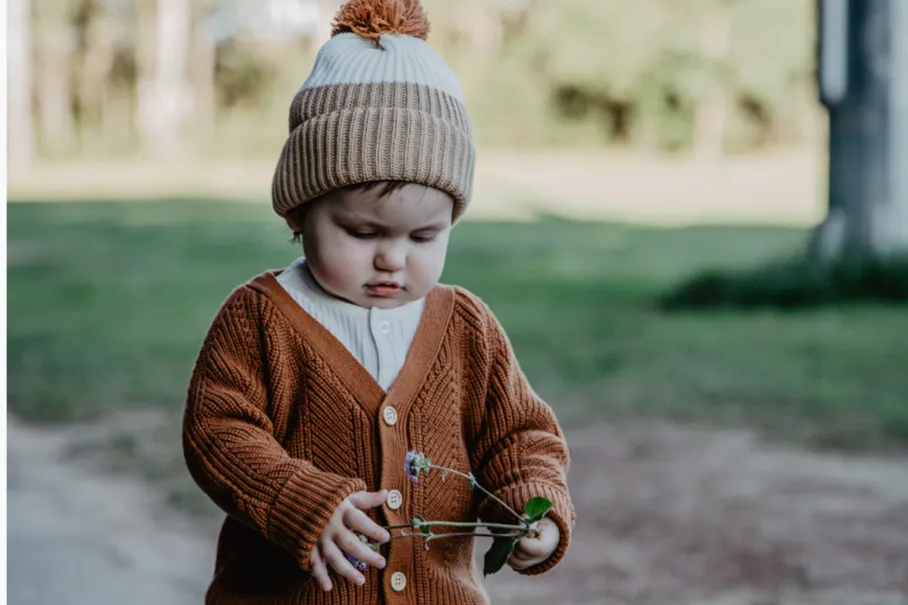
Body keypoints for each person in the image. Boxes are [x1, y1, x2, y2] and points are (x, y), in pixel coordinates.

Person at [182, 1, 575, 603]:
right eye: (363, 233)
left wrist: (532, 506)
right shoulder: (261, 316)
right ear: (301, 211)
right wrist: (296, 498)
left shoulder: (466, 325)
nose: (394, 258)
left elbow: (518, 435)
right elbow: (218, 430)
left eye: (425, 237)